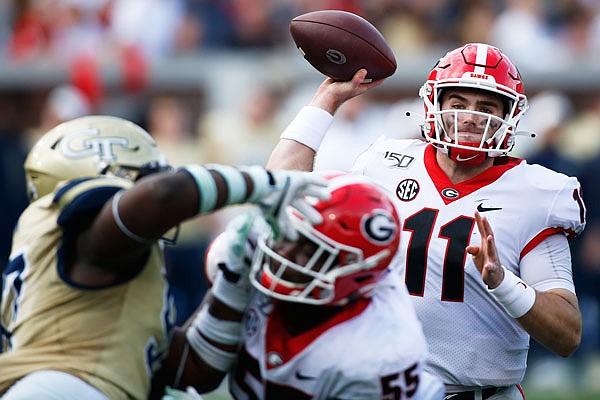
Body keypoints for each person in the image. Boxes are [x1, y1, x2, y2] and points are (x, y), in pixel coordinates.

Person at [265, 42, 586, 399]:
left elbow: (567, 334)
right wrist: (327, 100)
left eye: (486, 107)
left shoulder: (536, 193)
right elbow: (282, 185)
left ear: (510, 116)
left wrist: (501, 282)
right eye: (458, 104)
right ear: (434, 104)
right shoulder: (385, 163)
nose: (469, 117)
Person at [0, 115, 329, 400]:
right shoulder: (82, 223)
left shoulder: (90, 283)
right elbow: (161, 195)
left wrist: (234, 277)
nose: (159, 181)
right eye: (147, 175)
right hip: (68, 387)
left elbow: (192, 369)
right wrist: (262, 184)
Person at [150, 173, 446, 400]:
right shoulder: (250, 251)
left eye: (308, 251)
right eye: (287, 235)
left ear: (353, 271)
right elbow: (198, 368)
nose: (284, 255)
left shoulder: (380, 353)